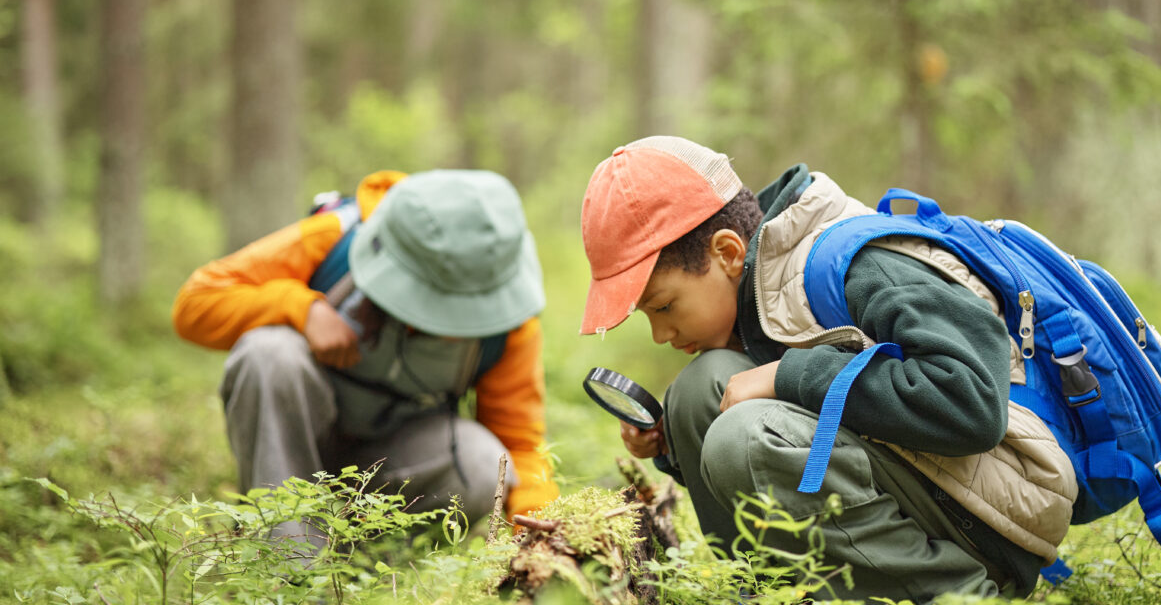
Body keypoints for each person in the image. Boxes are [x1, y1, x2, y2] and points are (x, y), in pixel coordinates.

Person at [577, 136, 1077, 602]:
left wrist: (786, 376)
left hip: (987, 519)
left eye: (664, 306)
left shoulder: (856, 264)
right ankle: (768, 593)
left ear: (727, 253)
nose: (660, 334)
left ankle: (958, 593)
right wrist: (671, 447)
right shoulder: (759, 291)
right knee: (700, 391)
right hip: (917, 488)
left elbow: (973, 403)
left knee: (742, 436)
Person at [173, 169, 558, 548]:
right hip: (299, 438)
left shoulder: (509, 322)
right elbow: (196, 302)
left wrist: (539, 534)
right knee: (269, 354)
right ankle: (288, 561)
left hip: (400, 460)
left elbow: (521, 444)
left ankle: (364, 565)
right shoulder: (335, 238)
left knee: (485, 464)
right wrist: (302, 309)